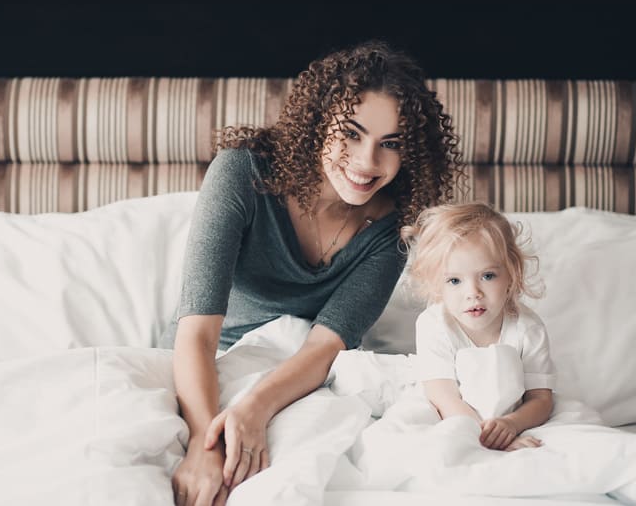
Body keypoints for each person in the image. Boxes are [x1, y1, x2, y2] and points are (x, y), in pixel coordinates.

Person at [165, 40, 462, 506]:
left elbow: (327, 346)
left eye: (390, 144)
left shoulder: (392, 229)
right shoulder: (240, 174)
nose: (367, 162)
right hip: (208, 365)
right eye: (351, 133)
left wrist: (254, 409)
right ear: (317, 123)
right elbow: (197, 334)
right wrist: (204, 441)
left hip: (301, 378)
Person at [405, 201, 555, 452]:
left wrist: (511, 424)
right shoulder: (435, 325)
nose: (473, 293)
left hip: (510, 419)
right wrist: (485, 438)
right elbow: (444, 397)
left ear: (511, 273)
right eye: (454, 280)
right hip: (449, 415)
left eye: (487, 276)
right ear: (436, 285)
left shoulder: (527, 328)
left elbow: (540, 399)